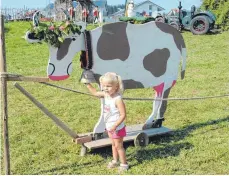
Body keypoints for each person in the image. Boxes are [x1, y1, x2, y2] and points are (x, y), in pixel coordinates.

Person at [84, 72, 129, 171]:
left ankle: (124, 164)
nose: (105, 88)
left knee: (119, 146)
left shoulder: (118, 99)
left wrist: (115, 125)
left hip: (117, 128)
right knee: (113, 145)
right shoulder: (106, 95)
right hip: (109, 126)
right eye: (103, 86)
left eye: (108, 86)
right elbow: (95, 93)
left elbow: (123, 115)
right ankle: (115, 160)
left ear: (116, 86)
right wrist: (87, 84)